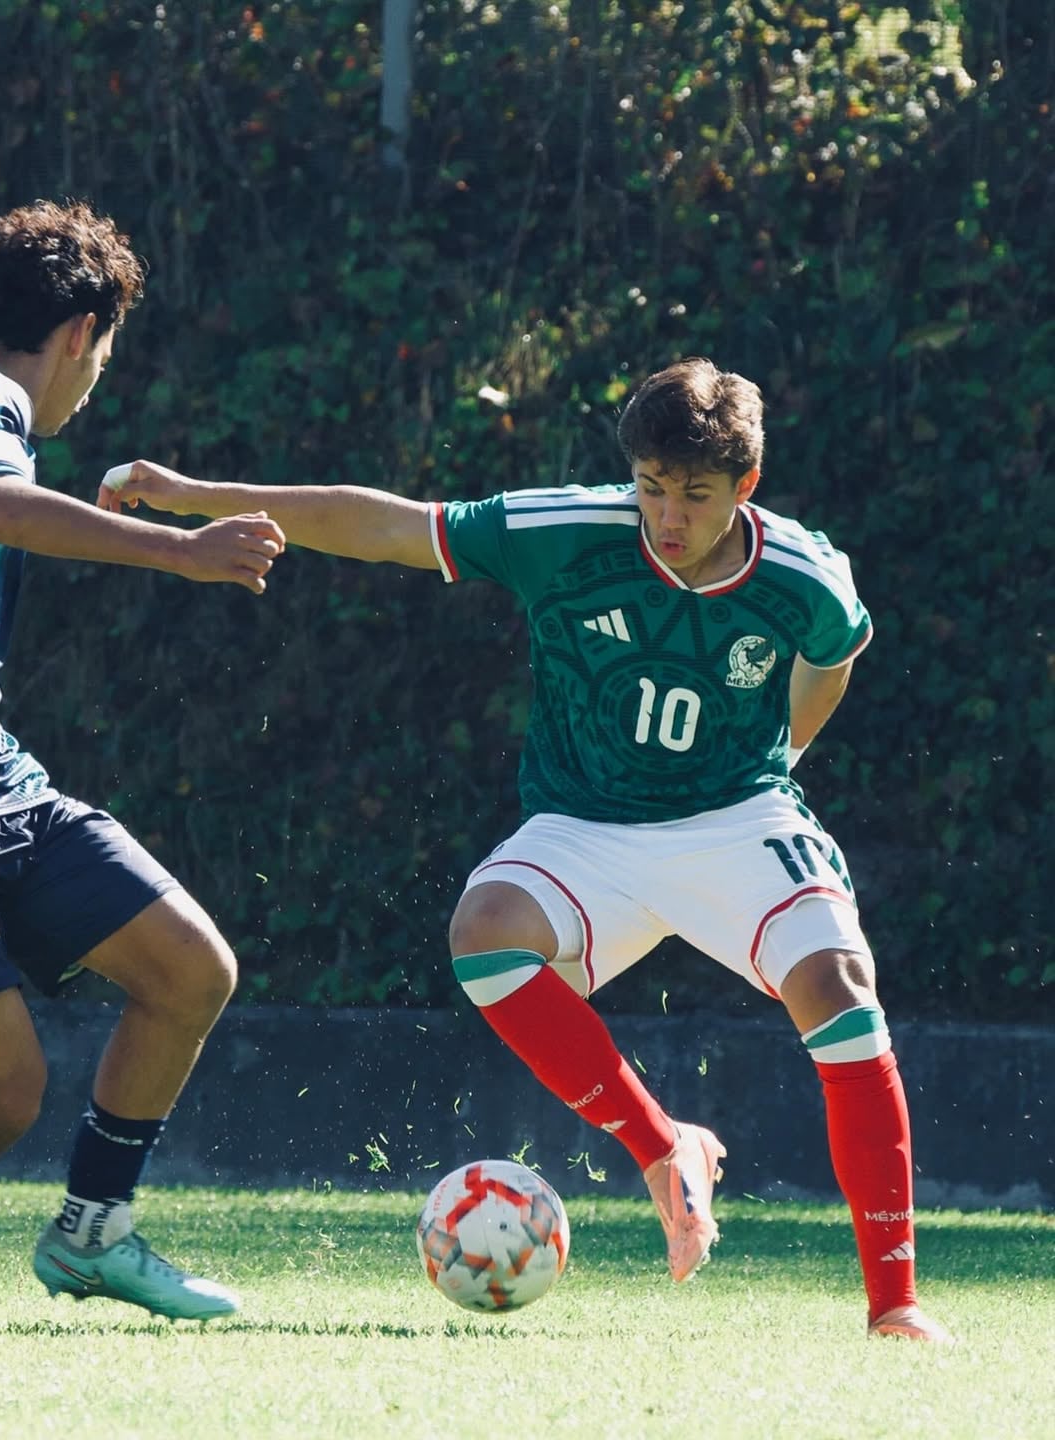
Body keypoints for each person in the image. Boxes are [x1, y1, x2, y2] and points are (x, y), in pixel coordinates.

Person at [100, 355, 951, 1342]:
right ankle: (660, 1141)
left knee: (841, 985)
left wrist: (784, 757)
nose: (667, 515)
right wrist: (192, 494)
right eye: (652, 487)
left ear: (745, 488)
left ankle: (895, 1304)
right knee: (485, 932)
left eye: (696, 494)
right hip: (586, 825)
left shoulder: (804, 572)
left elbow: (834, 658)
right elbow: (381, 522)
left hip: (740, 817)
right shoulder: (567, 532)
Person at [0, 198, 286, 1319]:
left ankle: (94, 1232)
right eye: (104, 353)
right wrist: (185, 550)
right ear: (80, 331)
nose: (96, 380)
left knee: (187, 967)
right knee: (3, 1084)